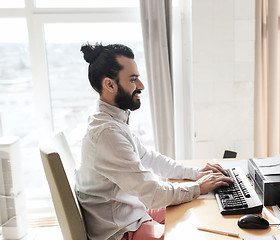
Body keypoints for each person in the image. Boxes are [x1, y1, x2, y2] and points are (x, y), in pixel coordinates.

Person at [76, 42, 233, 240]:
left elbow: (148, 158)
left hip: (132, 215)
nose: (141, 86)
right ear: (110, 84)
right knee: (198, 227)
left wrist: (195, 173)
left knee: (201, 206)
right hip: (122, 231)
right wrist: (198, 186)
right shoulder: (107, 134)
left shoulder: (113, 122)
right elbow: (153, 194)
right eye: (133, 80)